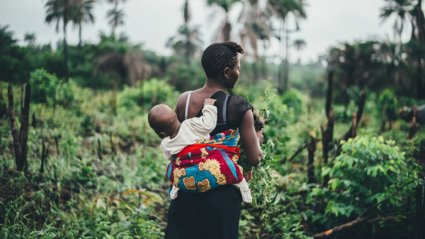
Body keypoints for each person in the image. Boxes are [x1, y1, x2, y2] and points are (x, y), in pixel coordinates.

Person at [164, 41, 263, 239]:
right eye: (237, 68)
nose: (238, 73)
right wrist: (257, 139)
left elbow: (177, 138)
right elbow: (254, 159)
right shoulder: (239, 107)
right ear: (227, 71)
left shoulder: (184, 101)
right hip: (222, 198)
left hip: (186, 191)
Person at [147, 99, 252, 202]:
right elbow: (208, 124)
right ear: (176, 116)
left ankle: (175, 188)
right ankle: (244, 190)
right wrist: (208, 106)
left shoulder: (165, 144)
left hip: (186, 169)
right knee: (227, 164)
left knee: (172, 169)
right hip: (205, 160)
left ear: (161, 134)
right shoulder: (189, 124)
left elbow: (171, 158)